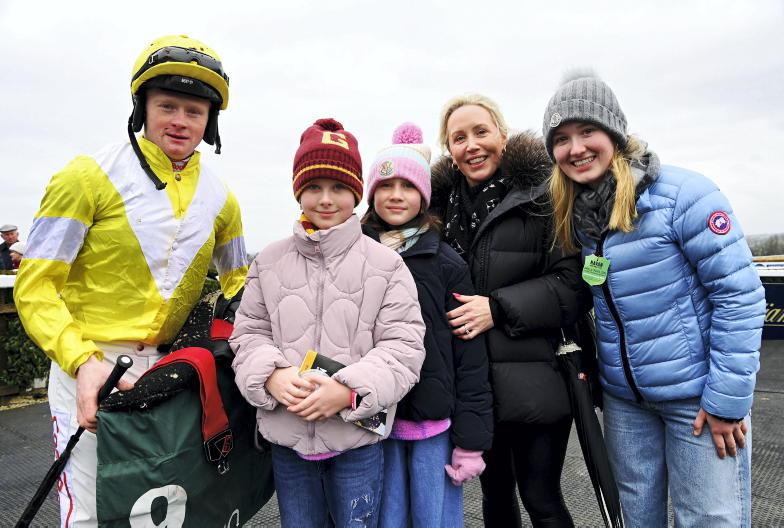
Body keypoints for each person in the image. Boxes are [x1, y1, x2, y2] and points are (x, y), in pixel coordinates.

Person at [14, 34, 248, 526]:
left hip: (169, 372)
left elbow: (240, 286)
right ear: (142, 108)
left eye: (194, 111)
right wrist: (83, 362)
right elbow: (34, 287)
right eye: (167, 106)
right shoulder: (85, 176)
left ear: (210, 121)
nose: (180, 121)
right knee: (88, 511)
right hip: (88, 363)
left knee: (164, 510)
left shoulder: (222, 198)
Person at [543, 73, 765, 527]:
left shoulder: (685, 196)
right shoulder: (580, 215)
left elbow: (739, 296)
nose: (575, 148)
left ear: (615, 133)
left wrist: (726, 401)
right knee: (636, 520)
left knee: (708, 519)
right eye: (561, 139)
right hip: (626, 404)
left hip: (696, 399)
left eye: (587, 131)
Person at [230, 118, 426, 528]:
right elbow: (248, 334)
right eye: (314, 186)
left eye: (338, 187)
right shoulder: (268, 262)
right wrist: (271, 376)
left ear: (356, 193)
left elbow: (403, 348)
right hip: (288, 442)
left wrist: (347, 392)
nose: (325, 199)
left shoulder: (387, 265)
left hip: (356, 443)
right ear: (298, 191)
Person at [431, 94, 586, 527]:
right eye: (459, 137)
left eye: (481, 131)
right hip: (474, 383)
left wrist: (497, 309)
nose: (471, 145)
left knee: (542, 497)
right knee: (495, 496)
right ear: (450, 149)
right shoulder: (437, 210)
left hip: (535, 377)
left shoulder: (544, 195)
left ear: (502, 135)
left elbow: (573, 283)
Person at [361, 123, 494, 527]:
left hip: (431, 424)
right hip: (369, 420)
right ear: (371, 194)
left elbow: (469, 357)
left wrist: (470, 442)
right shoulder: (353, 254)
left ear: (424, 195)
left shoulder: (448, 264)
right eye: (386, 185)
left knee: (432, 518)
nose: (396, 194)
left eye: (408, 185)